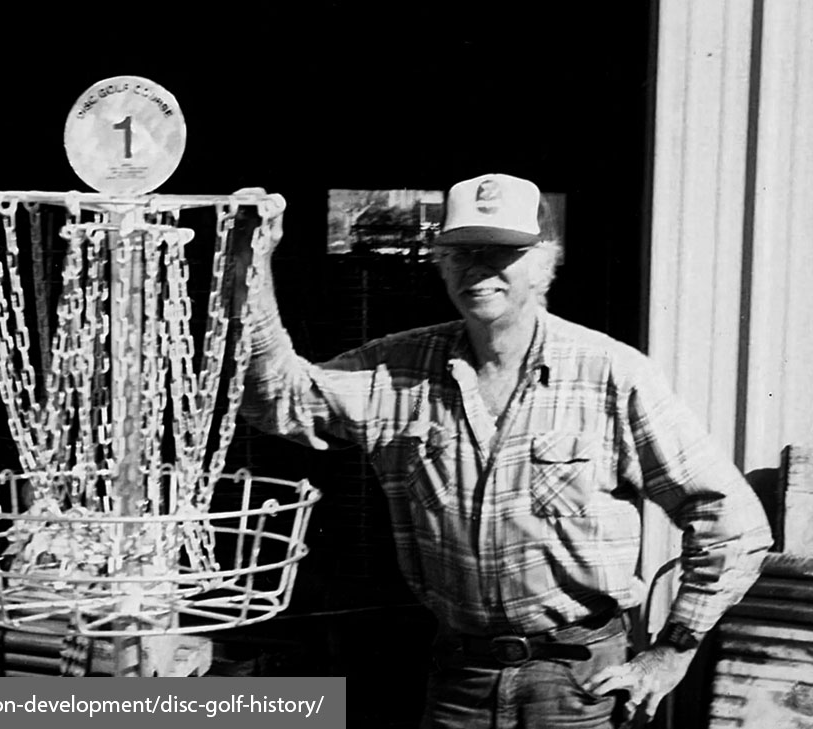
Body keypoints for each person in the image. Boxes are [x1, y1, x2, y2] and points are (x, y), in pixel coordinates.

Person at [239, 173, 772, 728]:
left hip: (579, 683)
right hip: (459, 681)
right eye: (463, 251)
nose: (480, 268)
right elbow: (277, 399)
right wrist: (249, 267)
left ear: (545, 262)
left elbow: (730, 520)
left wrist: (671, 652)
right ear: (441, 261)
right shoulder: (397, 374)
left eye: (504, 252)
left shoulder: (610, 373)